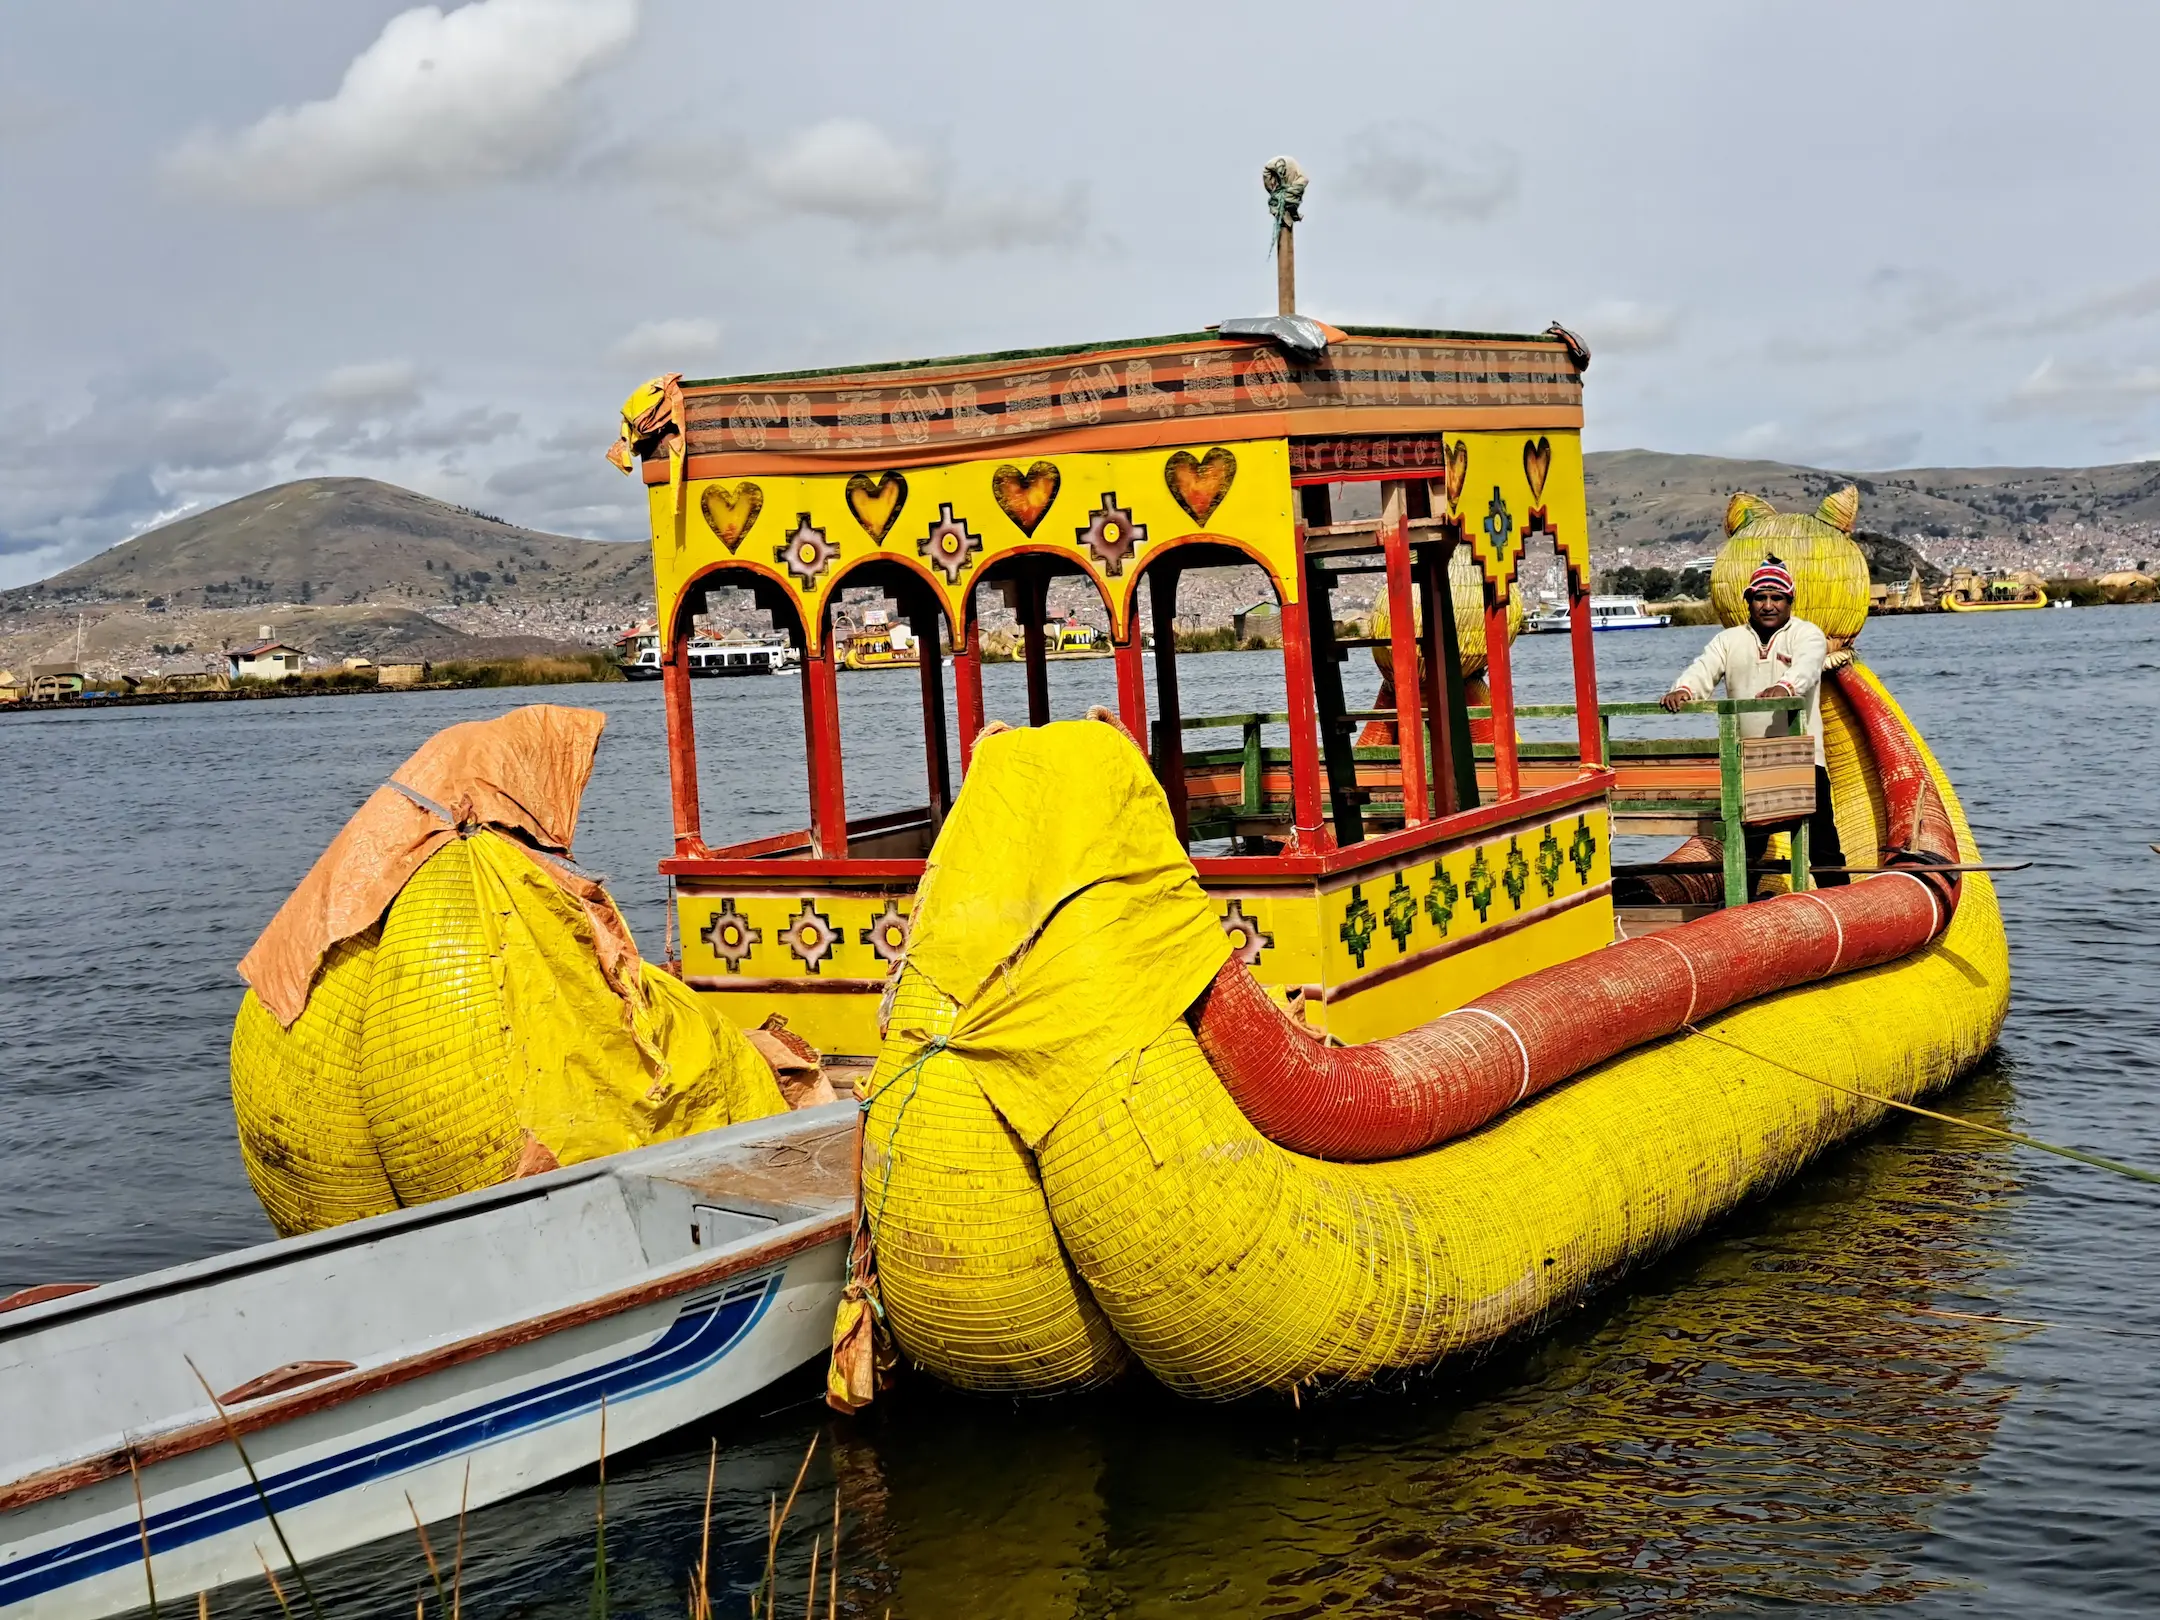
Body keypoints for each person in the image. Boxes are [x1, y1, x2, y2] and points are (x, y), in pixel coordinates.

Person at [1660, 557, 1848, 893]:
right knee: (1749, 847)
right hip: (1749, 761)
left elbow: (1805, 669)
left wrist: (1785, 688)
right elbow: (1703, 669)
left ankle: (1844, 905)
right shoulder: (1730, 640)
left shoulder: (1807, 634)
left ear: (1790, 601)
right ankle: (1742, 910)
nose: (1768, 605)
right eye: (1760, 597)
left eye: (1777, 598)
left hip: (1802, 756)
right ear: (1749, 601)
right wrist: (1683, 689)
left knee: (1822, 844)